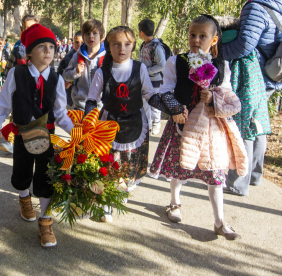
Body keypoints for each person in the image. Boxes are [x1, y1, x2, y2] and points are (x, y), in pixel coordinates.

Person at [149, 15, 243, 240]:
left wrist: (212, 97)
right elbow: (166, 89)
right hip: (183, 124)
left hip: (210, 129)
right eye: (192, 35)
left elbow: (227, 94)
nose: (196, 40)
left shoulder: (221, 65)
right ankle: (174, 203)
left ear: (213, 40)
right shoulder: (177, 61)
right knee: (179, 169)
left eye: (203, 36)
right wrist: (174, 109)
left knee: (215, 174)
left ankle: (219, 221)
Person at [0, 24, 74, 247]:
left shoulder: (57, 79)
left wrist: (77, 133)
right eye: (41, 47)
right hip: (23, 134)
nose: (48, 51)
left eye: (52, 47)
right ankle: (24, 197)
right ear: (30, 52)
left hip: (48, 136)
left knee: (46, 177)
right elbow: (4, 104)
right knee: (22, 171)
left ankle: (45, 221)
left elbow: (61, 112)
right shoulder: (17, 73)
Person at [85, 26, 170, 222]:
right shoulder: (102, 72)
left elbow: (150, 95)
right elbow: (92, 99)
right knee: (107, 165)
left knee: (127, 164)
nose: (121, 48)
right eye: (116, 44)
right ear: (109, 46)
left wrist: (171, 109)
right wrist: (87, 122)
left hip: (135, 124)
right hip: (108, 126)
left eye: (127, 44)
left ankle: (117, 194)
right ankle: (105, 203)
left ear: (133, 46)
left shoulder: (140, 69)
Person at [222, 0, 282, 195]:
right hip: (270, 75)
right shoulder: (277, 6)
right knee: (257, 125)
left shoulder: (256, 6)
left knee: (243, 126)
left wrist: (217, 53)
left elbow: (244, 44)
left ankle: (237, 182)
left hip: (252, 76)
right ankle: (255, 175)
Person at [0, 14, 39, 153]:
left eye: (32, 28)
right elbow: (10, 65)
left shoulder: (41, 44)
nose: (29, 31)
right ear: (22, 28)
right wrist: (4, 82)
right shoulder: (17, 45)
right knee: (16, 115)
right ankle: (12, 142)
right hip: (18, 87)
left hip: (35, 89)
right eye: (26, 28)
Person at [63, 19, 106, 111]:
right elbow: (66, 76)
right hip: (80, 107)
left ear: (102, 36)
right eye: (87, 33)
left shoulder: (107, 58)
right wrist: (75, 72)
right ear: (83, 36)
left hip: (100, 108)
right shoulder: (77, 56)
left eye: (95, 33)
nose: (91, 36)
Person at [138, 19, 167, 135]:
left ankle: (156, 123)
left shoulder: (156, 47)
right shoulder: (144, 45)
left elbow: (162, 64)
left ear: (142, 32)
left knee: (155, 103)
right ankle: (148, 124)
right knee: (145, 101)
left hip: (155, 80)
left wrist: (147, 71)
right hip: (145, 79)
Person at [57, 31, 83, 107]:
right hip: (70, 98)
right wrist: (65, 83)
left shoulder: (88, 57)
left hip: (85, 99)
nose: (79, 44)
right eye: (77, 42)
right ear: (73, 43)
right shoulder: (68, 58)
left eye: (82, 42)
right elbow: (60, 74)